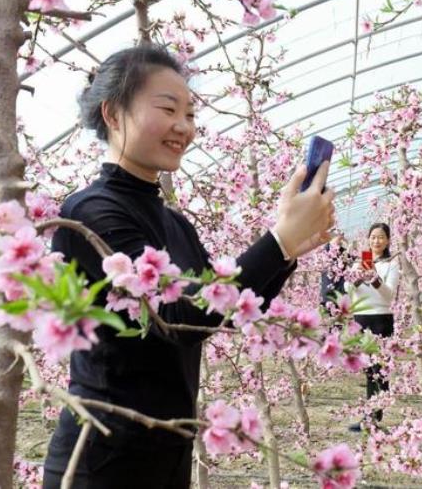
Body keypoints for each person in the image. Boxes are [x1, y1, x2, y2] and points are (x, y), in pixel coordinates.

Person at [42, 45, 335, 489]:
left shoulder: (173, 220)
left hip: (167, 452)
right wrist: (278, 240)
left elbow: (223, 310)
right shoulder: (90, 213)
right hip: (104, 460)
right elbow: (177, 318)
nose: (184, 127)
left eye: (191, 114)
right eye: (168, 109)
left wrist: (289, 249)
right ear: (113, 114)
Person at [345, 222, 400, 432]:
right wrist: (359, 277)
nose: (376, 241)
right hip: (362, 318)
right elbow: (349, 290)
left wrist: (375, 278)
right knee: (369, 370)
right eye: (373, 237)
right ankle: (371, 416)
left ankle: (374, 415)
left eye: (380, 237)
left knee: (380, 370)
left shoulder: (390, 265)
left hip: (381, 319)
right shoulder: (359, 263)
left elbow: (388, 295)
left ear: (387, 241)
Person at [319, 233, 349, 312]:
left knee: (340, 322)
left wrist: (348, 245)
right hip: (328, 294)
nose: (340, 237)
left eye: (341, 235)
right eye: (337, 234)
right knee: (329, 320)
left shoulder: (344, 252)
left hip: (341, 292)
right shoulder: (324, 251)